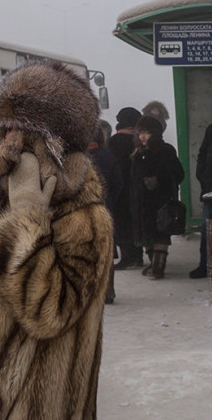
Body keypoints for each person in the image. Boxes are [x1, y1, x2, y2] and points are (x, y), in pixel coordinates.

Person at [0, 61, 112, 419]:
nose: (9, 140)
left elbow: (52, 313)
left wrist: (27, 219)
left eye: (23, 129)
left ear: (58, 141)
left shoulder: (86, 218)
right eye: (3, 127)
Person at [130, 115, 185, 279]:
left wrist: (159, 180)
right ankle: (154, 262)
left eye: (147, 133)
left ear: (155, 133)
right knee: (147, 233)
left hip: (161, 200)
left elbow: (178, 174)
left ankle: (158, 267)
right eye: (140, 133)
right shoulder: (138, 153)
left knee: (161, 232)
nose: (143, 136)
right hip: (143, 201)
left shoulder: (166, 150)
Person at [87, 123, 123, 304]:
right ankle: (108, 288)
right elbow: (118, 182)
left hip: (82, 212)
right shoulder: (107, 156)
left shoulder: (76, 158)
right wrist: (109, 201)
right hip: (104, 210)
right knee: (105, 250)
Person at [109, 107, 144, 270]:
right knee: (136, 220)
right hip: (138, 187)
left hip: (120, 189)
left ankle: (127, 257)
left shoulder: (114, 141)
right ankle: (138, 256)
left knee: (122, 223)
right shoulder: (141, 140)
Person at [191, 120, 212, 279]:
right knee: (208, 227)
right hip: (211, 187)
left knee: (209, 226)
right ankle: (206, 264)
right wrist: (203, 176)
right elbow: (203, 154)